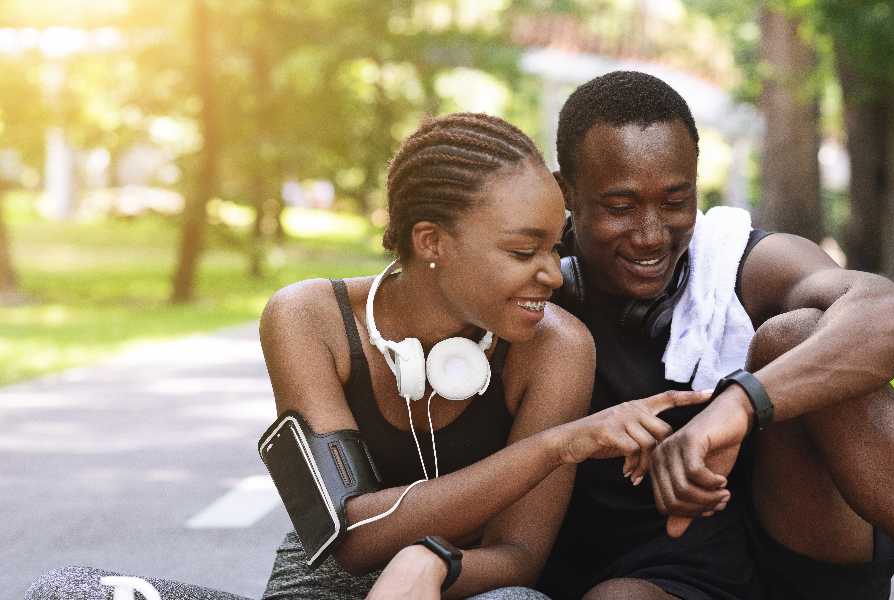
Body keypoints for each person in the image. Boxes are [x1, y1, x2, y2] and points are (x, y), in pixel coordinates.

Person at [25, 113, 711, 600]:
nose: (555, 273)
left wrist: (433, 565)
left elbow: (519, 558)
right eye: (522, 251)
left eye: (554, 246)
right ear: (431, 240)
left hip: (458, 589)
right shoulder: (309, 318)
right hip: (322, 591)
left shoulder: (557, 347)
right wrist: (557, 447)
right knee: (64, 591)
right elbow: (348, 535)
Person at [535, 70, 894, 600]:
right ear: (566, 192)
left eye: (674, 201)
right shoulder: (531, 281)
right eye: (620, 207)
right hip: (651, 577)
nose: (650, 234)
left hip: (796, 558)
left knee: (799, 335)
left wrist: (740, 404)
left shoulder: (740, 261)